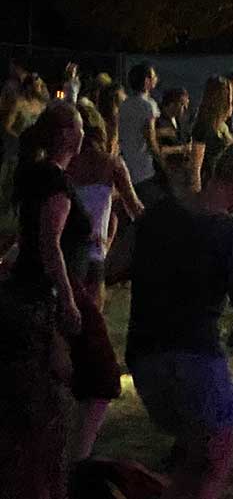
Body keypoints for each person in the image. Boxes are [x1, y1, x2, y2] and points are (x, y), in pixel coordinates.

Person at [126, 139, 233, 499]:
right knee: (214, 455)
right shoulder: (228, 232)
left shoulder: (160, 213)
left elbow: (117, 265)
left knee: (191, 457)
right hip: (194, 356)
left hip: (144, 354)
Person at [0, 102, 89, 498]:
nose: (84, 133)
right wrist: (67, 299)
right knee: (47, 398)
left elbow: (27, 234)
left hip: (24, 292)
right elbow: (50, 243)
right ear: (68, 135)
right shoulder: (55, 183)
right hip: (40, 299)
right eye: (80, 127)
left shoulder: (34, 175)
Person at [65, 100, 143, 457]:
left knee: (68, 324)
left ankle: (70, 388)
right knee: (91, 325)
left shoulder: (66, 165)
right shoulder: (111, 165)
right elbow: (134, 209)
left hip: (68, 253)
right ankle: (86, 391)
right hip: (94, 257)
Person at [118, 60, 167, 206]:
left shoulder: (124, 104)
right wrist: (163, 163)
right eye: (153, 76)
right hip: (144, 169)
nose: (156, 78)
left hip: (127, 165)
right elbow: (150, 138)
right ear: (146, 81)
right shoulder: (148, 105)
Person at [190, 76, 233, 187]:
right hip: (209, 183)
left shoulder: (222, 126)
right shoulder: (204, 127)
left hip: (221, 182)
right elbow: (196, 167)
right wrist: (197, 190)